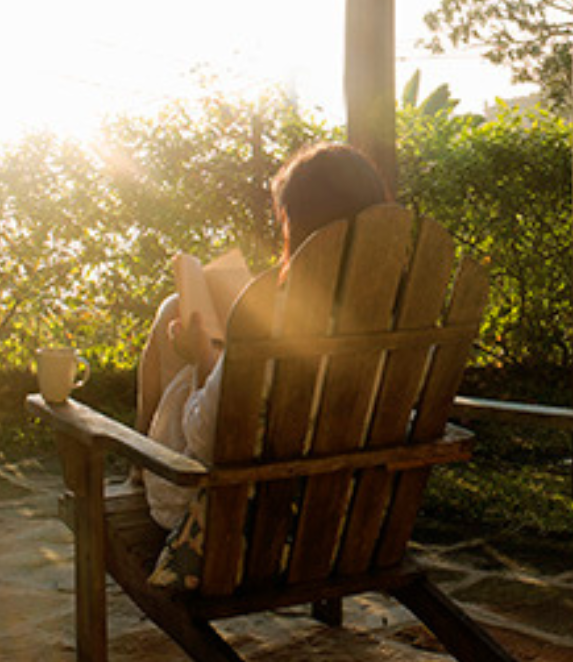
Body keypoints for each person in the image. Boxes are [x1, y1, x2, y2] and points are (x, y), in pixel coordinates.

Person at [136, 141, 390, 529]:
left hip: (239, 517)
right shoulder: (397, 305)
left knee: (176, 318)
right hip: (350, 517)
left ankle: (138, 460)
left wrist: (202, 356)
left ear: (295, 222)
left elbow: (205, 436)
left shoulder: (279, 314)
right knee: (175, 310)